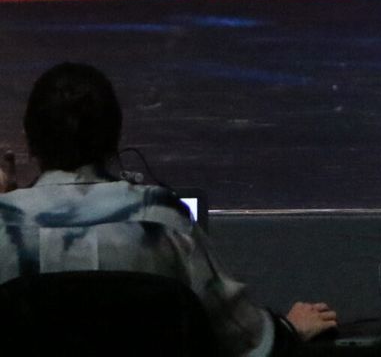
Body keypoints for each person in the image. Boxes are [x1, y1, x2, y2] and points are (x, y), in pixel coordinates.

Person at [0, 63, 336, 355]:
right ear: (114, 135)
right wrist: (289, 329)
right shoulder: (163, 218)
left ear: (28, 137)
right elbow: (245, 340)